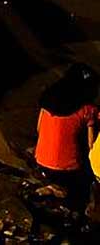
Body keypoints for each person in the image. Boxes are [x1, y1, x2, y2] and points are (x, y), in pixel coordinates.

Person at [35, 63, 99, 212]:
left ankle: (53, 187)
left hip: (41, 160)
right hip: (68, 169)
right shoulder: (88, 110)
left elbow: (39, 129)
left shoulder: (48, 101)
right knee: (87, 182)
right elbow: (91, 145)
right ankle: (67, 195)